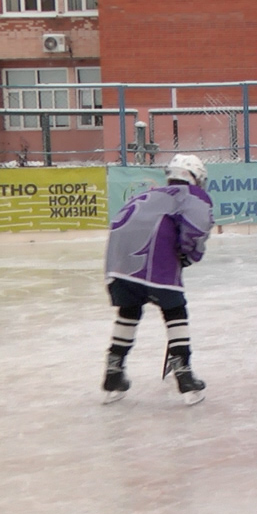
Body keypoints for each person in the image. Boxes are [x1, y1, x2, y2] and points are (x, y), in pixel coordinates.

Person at [101, 154, 215, 405]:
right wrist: (188, 255)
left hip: (120, 264)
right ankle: (184, 374)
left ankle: (113, 371)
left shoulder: (144, 195)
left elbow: (120, 225)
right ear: (195, 177)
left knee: (128, 311)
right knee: (175, 311)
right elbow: (196, 229)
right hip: (152, 262)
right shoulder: (192, 196)